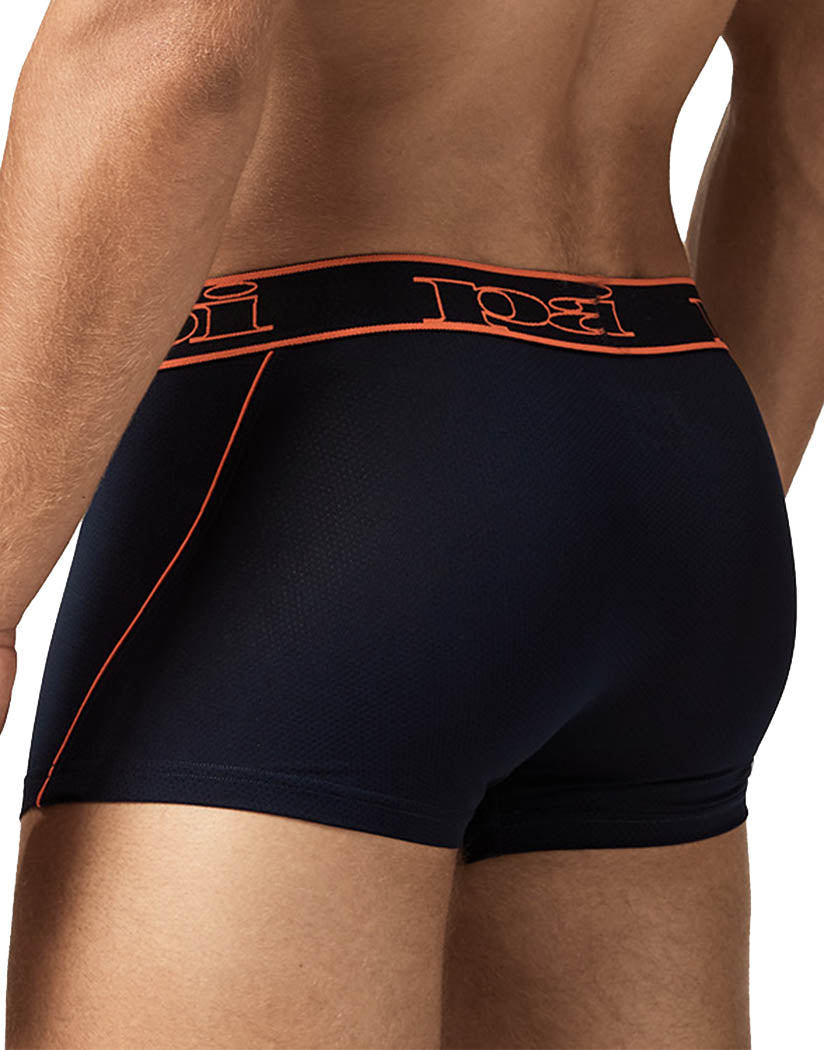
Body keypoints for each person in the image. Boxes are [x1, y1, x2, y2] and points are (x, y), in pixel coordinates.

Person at [0, 0, 815, 1047]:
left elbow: (169, 43)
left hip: (328, 465)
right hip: (676, 441)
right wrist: (657, 518)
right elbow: (809, 104)